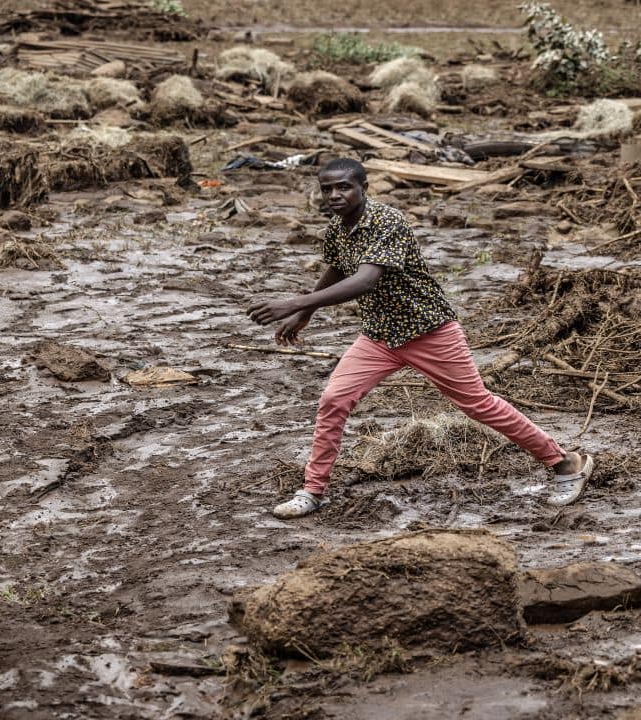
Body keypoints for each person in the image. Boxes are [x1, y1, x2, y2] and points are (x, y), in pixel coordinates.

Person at [246, 157, 592, 519]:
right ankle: (313, 490)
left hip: (429, 331)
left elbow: (366, 279)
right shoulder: (337, 228)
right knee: (333, 399)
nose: (335, 194)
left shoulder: (387, 221)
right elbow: (338, 266)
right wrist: (306, 313)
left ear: (364, 187)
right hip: (379, 336)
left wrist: (293, 302)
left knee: (478, 404)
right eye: (327, 188)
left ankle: (566, 462)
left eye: (344, 187)